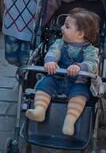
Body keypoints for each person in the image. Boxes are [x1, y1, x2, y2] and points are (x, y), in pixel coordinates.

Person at [25, 8, 101, 136]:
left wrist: (79, 67)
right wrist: (51, 61)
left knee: (80, 96)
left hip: (78, 82)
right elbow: (53, 52)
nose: (61, 28)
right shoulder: (59, 43)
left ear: (80, 34)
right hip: (57, 77)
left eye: (67, 26)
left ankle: (70, 121)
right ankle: (39, 110)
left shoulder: (91, 50)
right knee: (44, 86)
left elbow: (93, 63)